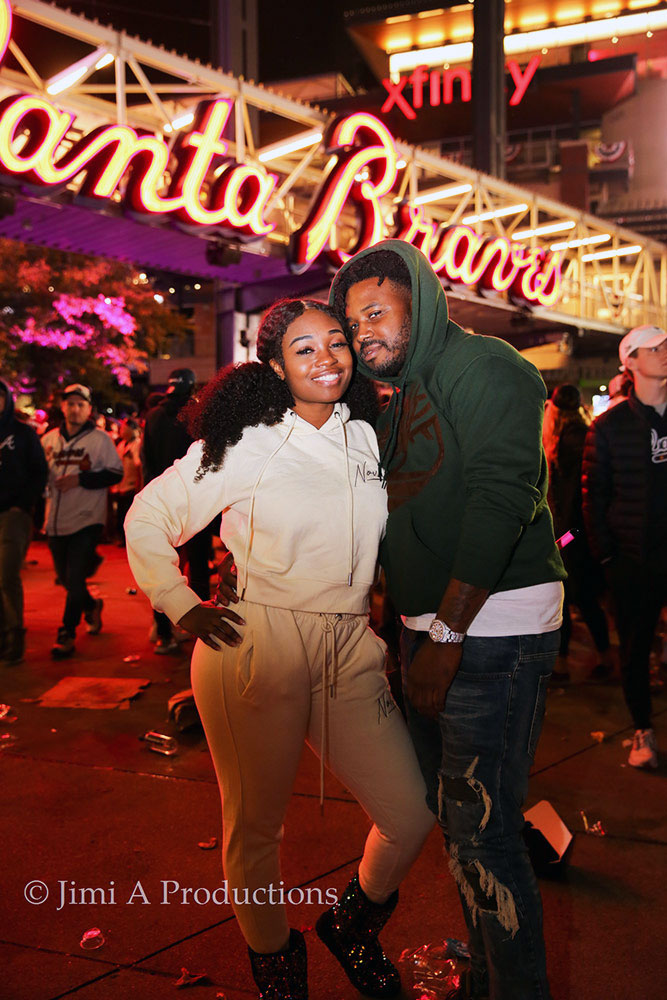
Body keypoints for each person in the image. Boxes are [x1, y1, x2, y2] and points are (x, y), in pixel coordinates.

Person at [125, 298, 434, 1000]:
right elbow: (149, 516)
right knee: (255, 831)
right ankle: (276, 969)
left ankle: (351, 926)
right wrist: (180, 606)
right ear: (273, 367)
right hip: (254, 645)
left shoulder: (366, 436)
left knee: (410, 812)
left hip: (348, 646)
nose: (325, 356)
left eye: (334, 342)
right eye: (303, 348)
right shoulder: (250, 439)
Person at [330, 241, 566, 1000]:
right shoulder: (408, 396)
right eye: (350, 320)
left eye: (375, 311)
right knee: (461, 824)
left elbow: (504, 497)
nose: (361, 331)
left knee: (486, 827)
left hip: (487, 630)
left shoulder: (488, 367)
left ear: (420, 301)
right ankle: (488, 972)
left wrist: (444, 636)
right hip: (434, 630)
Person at [582, 324, 667, 769]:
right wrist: (609, 557)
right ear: (630, 362)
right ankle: (642, 730)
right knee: (634, 648)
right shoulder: (609, 426)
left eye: (665, 345)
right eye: (652, 348)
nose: (664, 352)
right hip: (634, 560)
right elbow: (592, 497)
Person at [42, 384, 123, 658]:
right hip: (54, 520)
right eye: (70, 403)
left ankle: (66, 632)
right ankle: (91, 605)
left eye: (81, 404)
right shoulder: (49, 439)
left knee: (75, 577)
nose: (75, 409)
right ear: (62, 407)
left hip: (87, 518)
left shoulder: (100, 440)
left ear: (88, 409)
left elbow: (115, 473)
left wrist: (81, 479)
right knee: (66, 580)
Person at [542, 384, 613, 682]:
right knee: (577, 596)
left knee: (569, 594)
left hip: (571, 532)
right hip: (577, 531)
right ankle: (601, 658)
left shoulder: (568, 440)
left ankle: (565, 663)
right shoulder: (583, 432)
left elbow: (571, 496)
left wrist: (564, 539)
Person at [142, 368, 213, 653]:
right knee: (198, 568)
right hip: (195, 502)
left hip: (162, 502)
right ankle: (203, 634)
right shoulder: (198, 414)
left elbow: (146, 460)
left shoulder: (154, 416)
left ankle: (164, 633)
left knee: (163, 569)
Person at [0, 380, 48, 664]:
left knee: (6, 576)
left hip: (13, 514)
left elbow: (39, 471)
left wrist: (23, 505)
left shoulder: (23, 434)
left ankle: (14, 636)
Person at [111, 418, 143, 546]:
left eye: (124, 428)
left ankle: (129, 540)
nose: (121, 430)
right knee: (121, 514)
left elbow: (138, 465)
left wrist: (138, 485)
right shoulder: (121, 444)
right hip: (120, 485)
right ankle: (122, 539)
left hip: (131, 485)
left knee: (129, 515)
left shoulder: (137, 444)